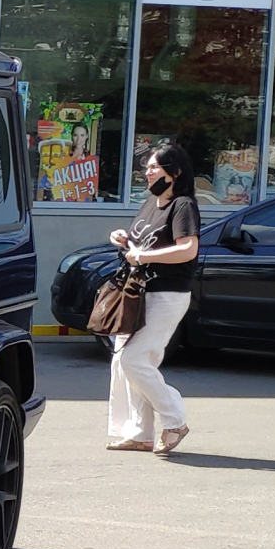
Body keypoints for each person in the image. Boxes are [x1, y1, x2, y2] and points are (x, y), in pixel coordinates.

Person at [106, 144, 201, 455]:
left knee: (134, 360)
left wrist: (142, 255)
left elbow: (188, 249)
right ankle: (138, 433)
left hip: (167, 294)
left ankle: (175, 419)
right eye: (147, 167)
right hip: (137, 292)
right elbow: (141, 242)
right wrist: (123, 239)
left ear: (174, 173)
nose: (147, 172)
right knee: (124, 362)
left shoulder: (182, 206)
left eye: (154, 167)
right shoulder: (151, 203)